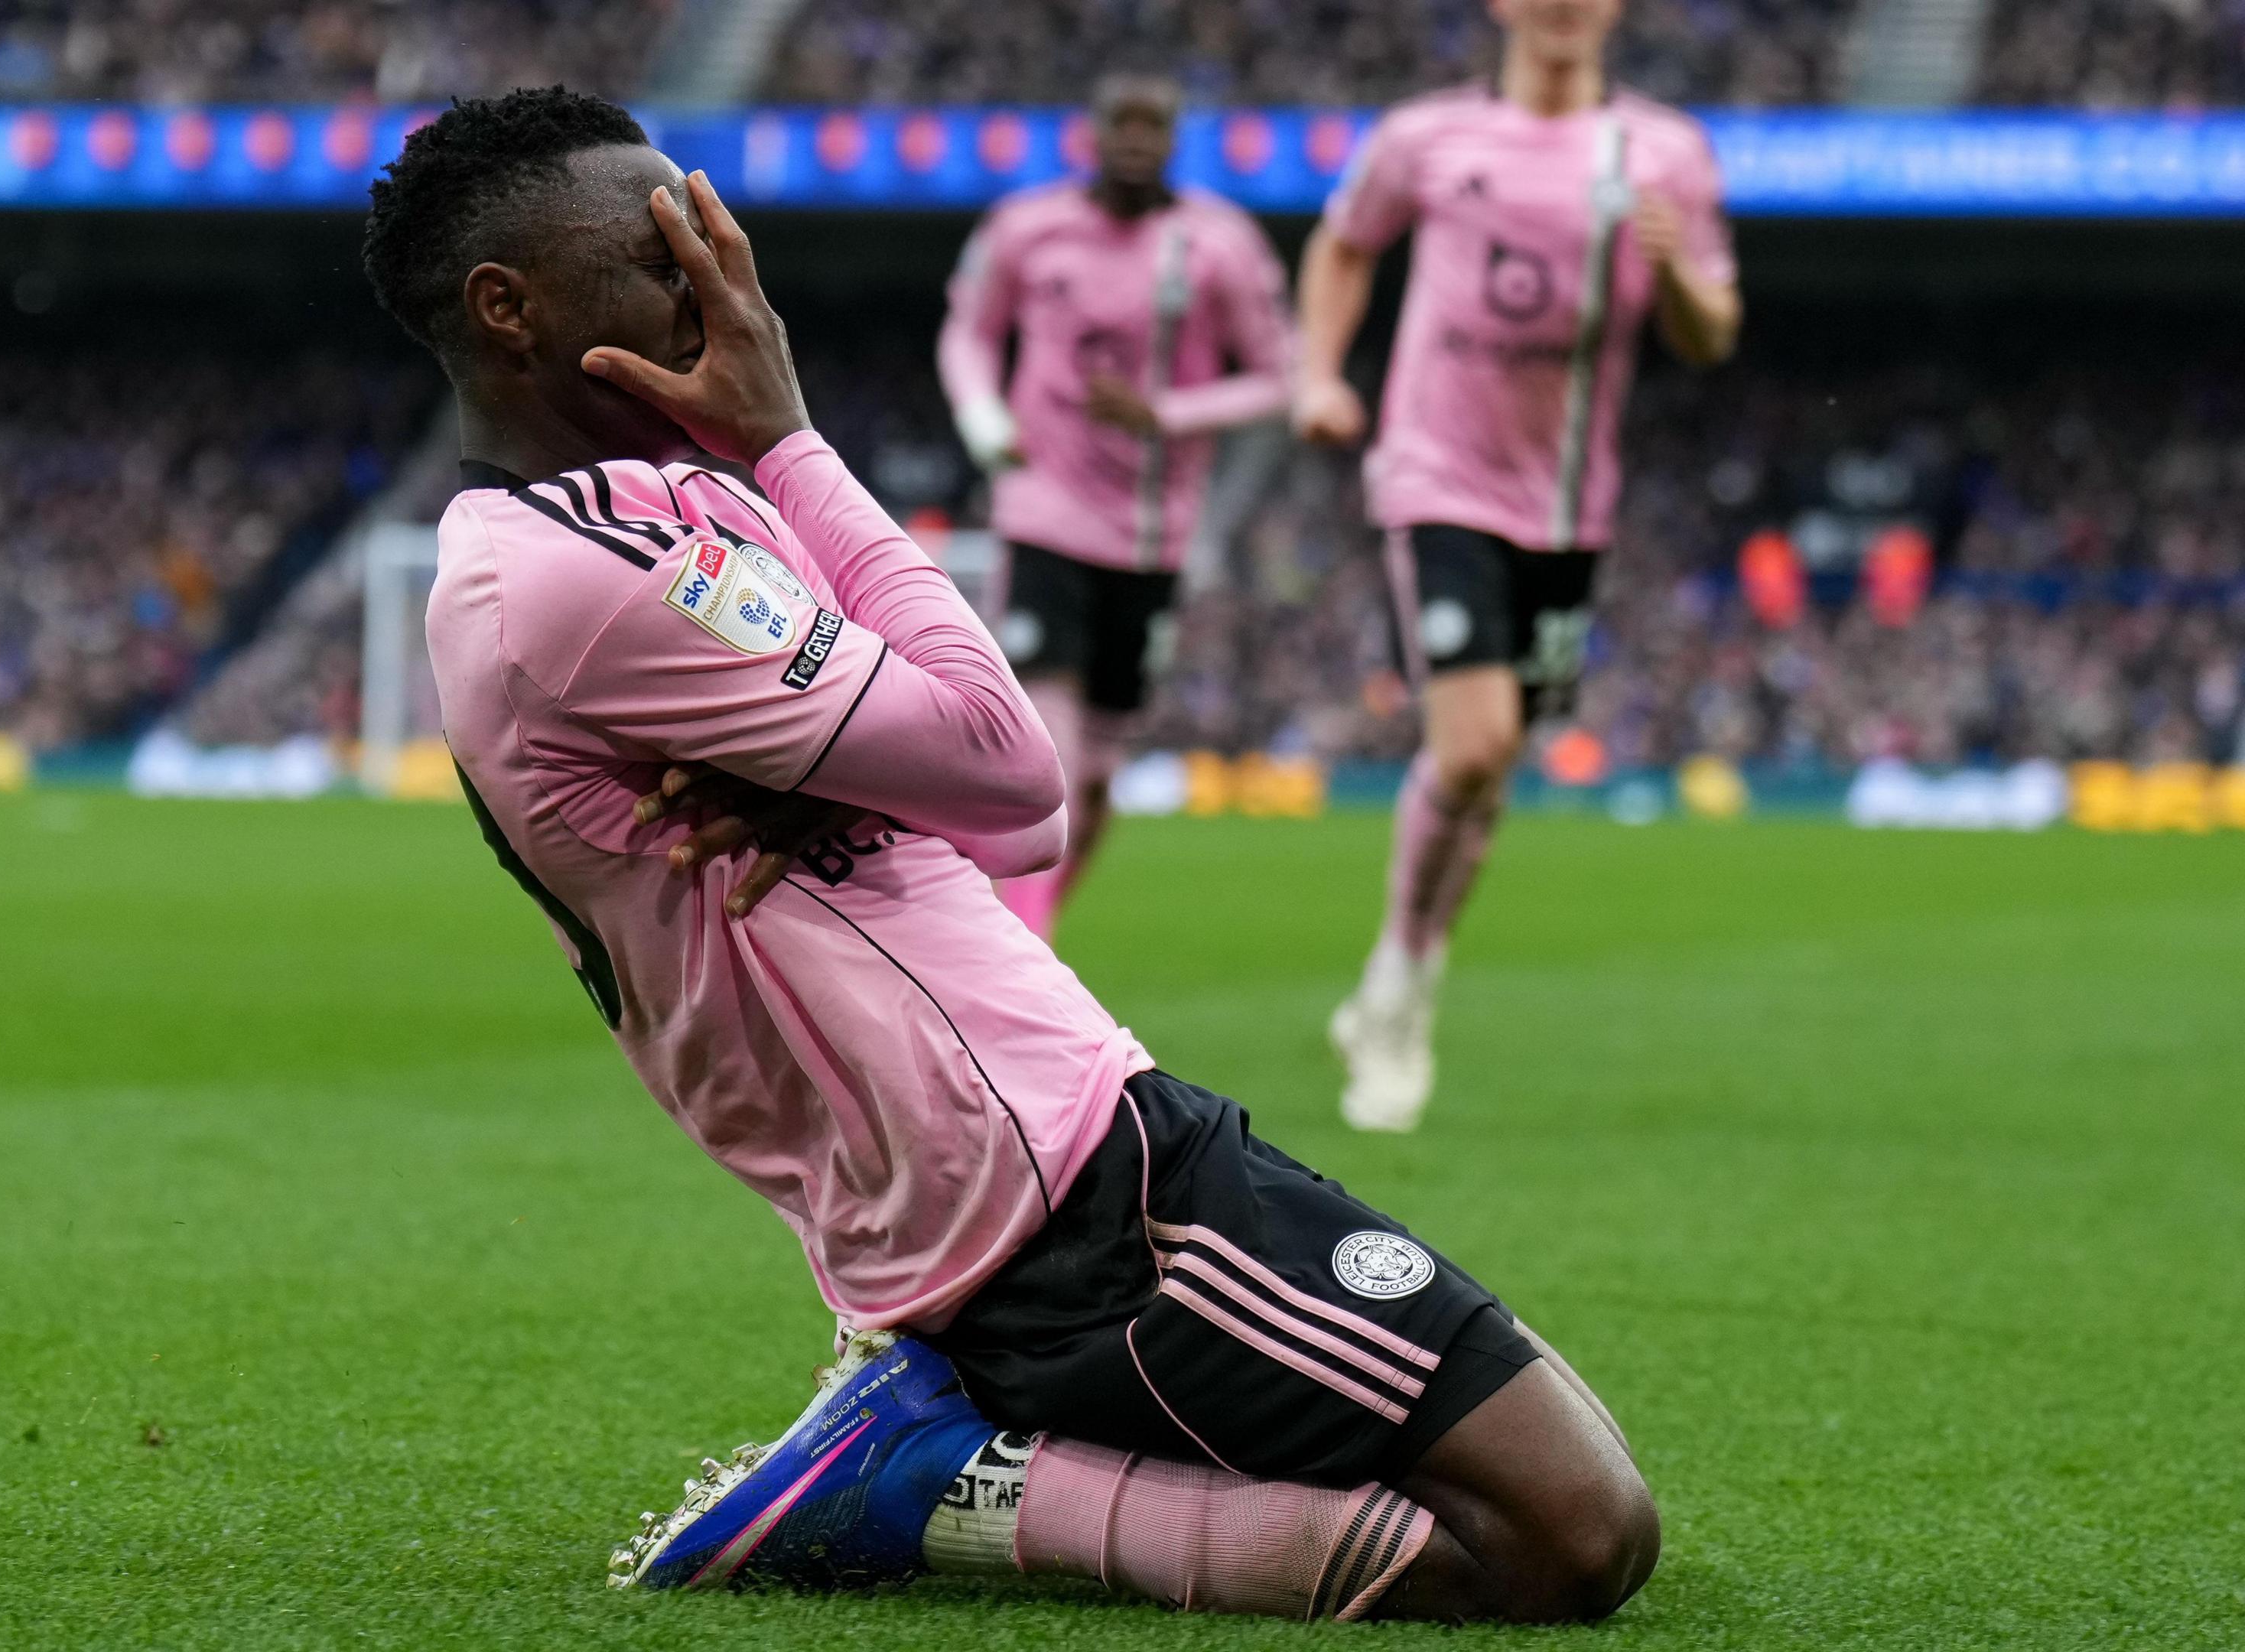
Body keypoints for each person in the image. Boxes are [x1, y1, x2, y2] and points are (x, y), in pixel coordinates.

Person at [366, 87, 1654, 1624]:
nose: (723, 292)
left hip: (1015, 1146)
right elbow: (1006, 759)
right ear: (510, 308)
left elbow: (997, 796)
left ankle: (951, 1453)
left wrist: (872, 741)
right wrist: (788, 436)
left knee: (1552, 1493)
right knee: (1574, 1534)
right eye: (662, 255)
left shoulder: (645, 509)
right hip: (1041, 1179)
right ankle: (947, 1486)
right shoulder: (584, 564)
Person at [1291, 0, 1740, 1132]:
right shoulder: (1427, 140)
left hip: (1567, 508)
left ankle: (1407, 975)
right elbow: (1344, 243)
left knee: (1491, 768)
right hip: (1436, 477)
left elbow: (1712, 333)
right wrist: (1317, 372)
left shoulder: (1667, 153)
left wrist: (1677, 271)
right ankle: (1398, 985)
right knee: (1477, 740)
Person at [936, 71, 1292, 943]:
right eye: (1120, 126)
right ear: (1090, 136)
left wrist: (1170, 414)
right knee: (1044, 759)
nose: (1135, 142)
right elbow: (969, 332)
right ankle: (1023, 956)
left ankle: (1020, 930)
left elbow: (1281, 375)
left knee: (1092, 781)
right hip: (1044, 514)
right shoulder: (1028, 228)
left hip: (1150, 539)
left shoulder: (1219, 245)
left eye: (1153, 127)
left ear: (1173, 140)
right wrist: (985, 418)